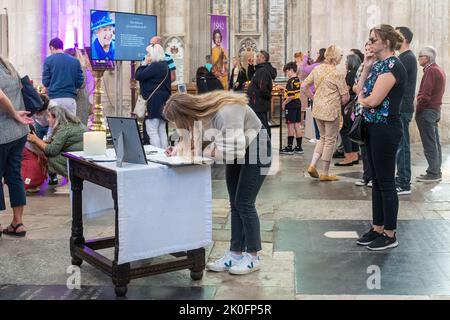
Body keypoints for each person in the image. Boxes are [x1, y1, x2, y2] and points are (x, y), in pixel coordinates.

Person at [163, 91, 272, 275]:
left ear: (185, 114)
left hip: (256, 148)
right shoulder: (200, 115)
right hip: (239, 150)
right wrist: (178, 149)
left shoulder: (225, 111)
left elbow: (231, 152)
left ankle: (253, 257)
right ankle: (235, 254)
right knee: (235, 204)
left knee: (244, 203)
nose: (179, 127)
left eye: (178, 122)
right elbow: (194, 141)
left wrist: (203, 151)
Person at [355, 24, 407, 251]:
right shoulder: (378, 65)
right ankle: (377, 228)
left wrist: (363, 100)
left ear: (386, 42)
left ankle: (390, 232)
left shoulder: (393, 64)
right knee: (376, 179)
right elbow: (357, 88)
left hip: (386, 128)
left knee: (385, 181)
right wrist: (366, 67)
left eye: (373, 40)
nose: (369, 44)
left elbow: (373, 100)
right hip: (372, 127)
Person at [301, 45, 350, 182]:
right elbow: (345, 97)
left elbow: (303, 86)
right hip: (331, 111)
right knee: (330, 140)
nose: (341, 57)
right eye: (340, 55)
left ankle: (312, 165)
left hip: (318, 109)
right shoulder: (337, 73)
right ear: (335, 57)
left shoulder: (317, 69)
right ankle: (325, 172)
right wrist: (337, 101)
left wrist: (313, 98)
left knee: (322, 137)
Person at [0, 56, 34, 238]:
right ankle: (17, 222)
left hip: (3, 132)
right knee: (14, 175)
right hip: (19, 132)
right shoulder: (8, 65)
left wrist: (13, 114)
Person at [27, 105, 86, 178]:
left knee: (51, 159)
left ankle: (72, 180)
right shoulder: (71, 124)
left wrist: (35, 140)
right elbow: (55, 142)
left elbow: (52, 151)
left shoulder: (64, 128)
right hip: (82, 156)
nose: (48, 119)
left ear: (56, 117)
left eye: (49, 117)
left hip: (79, 159)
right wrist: (40, 141)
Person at [415, 46, 447, 183]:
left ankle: (433, 172)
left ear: (427, 58)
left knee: (429, 143)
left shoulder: (431, 71)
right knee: (434, 142)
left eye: (420, 56)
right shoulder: (437, 69)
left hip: (427, 111)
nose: (418, 59)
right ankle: (436, 170)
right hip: (435, 110)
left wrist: (418, 110)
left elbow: (425, 96)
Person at [394, 27, 418, 195]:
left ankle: (404, 182)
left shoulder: (406, 58)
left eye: (396, 35)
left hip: (403, 107)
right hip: (401, 107)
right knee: (400, 146)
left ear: (404, 38)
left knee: (402, 146)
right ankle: (401, 178)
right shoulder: (403, 57)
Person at [136, 44, 172, 149]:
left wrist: (144, 63)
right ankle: (164, 152)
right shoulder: (165, 66)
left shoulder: (155, 66)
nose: (147, 56)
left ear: (154, 54)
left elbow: (139, 75)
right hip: (163, 100)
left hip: (154, 101)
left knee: (152, 129)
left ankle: (157, 153)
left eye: (148, 53)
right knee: (161, 129)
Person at [42, 38, 84, 116]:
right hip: (70, 99)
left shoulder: (49, 60)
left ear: (51, 47)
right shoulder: (75, 61)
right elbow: (80, 82)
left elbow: (45, 82)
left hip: (55, 99)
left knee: (55, 126)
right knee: (71, 126)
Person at [353, 42, 374, 188]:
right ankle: (366, 175)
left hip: (373, 108)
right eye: (365, 49)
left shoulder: (380, 65)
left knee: (374, 148)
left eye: (370, 49)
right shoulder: (362, 66)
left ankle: (374, 177)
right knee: (364, 147)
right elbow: (356, 87)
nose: (367, 52)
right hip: (361, 108)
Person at [335, 54, 362, 167]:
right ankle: (355, 156)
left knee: (344, 130)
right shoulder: (358, 72)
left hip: (348, 104)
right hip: (355, 103)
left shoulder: (350, 74)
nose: (345, 64)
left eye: (346, 61)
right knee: (352, 129)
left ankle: (348, 157)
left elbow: (346, 90)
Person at [246, 50, 277, 138]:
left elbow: (262, 88)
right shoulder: (260, 69)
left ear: (263, 58)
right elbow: (253, 79)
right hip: (257, 102)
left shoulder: (263, 71)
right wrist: (250, 66)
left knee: (262, 124)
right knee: (260, 124)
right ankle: (262, 144)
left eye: (258, 56)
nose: (256, 58)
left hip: (259, 103)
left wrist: (263, 98)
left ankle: (265, 144)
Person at [280, 62, 303, 155]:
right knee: (297, 125)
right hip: (297, 104)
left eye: (287, 71)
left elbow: (291, 96)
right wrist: (284, 89)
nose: (286, 73)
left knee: (290, 126)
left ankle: (289, 147)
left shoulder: (290, 81)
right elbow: (294, 93)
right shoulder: (297, 79)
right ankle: (298, 147)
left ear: (291, 70)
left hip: (291, 105)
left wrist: (284, 103)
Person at [65, 48, 92, 125]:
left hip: (80, 101)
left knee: (79, 126)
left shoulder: (79, 68)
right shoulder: (74, 68)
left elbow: (81, 84)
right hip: (77, 100)